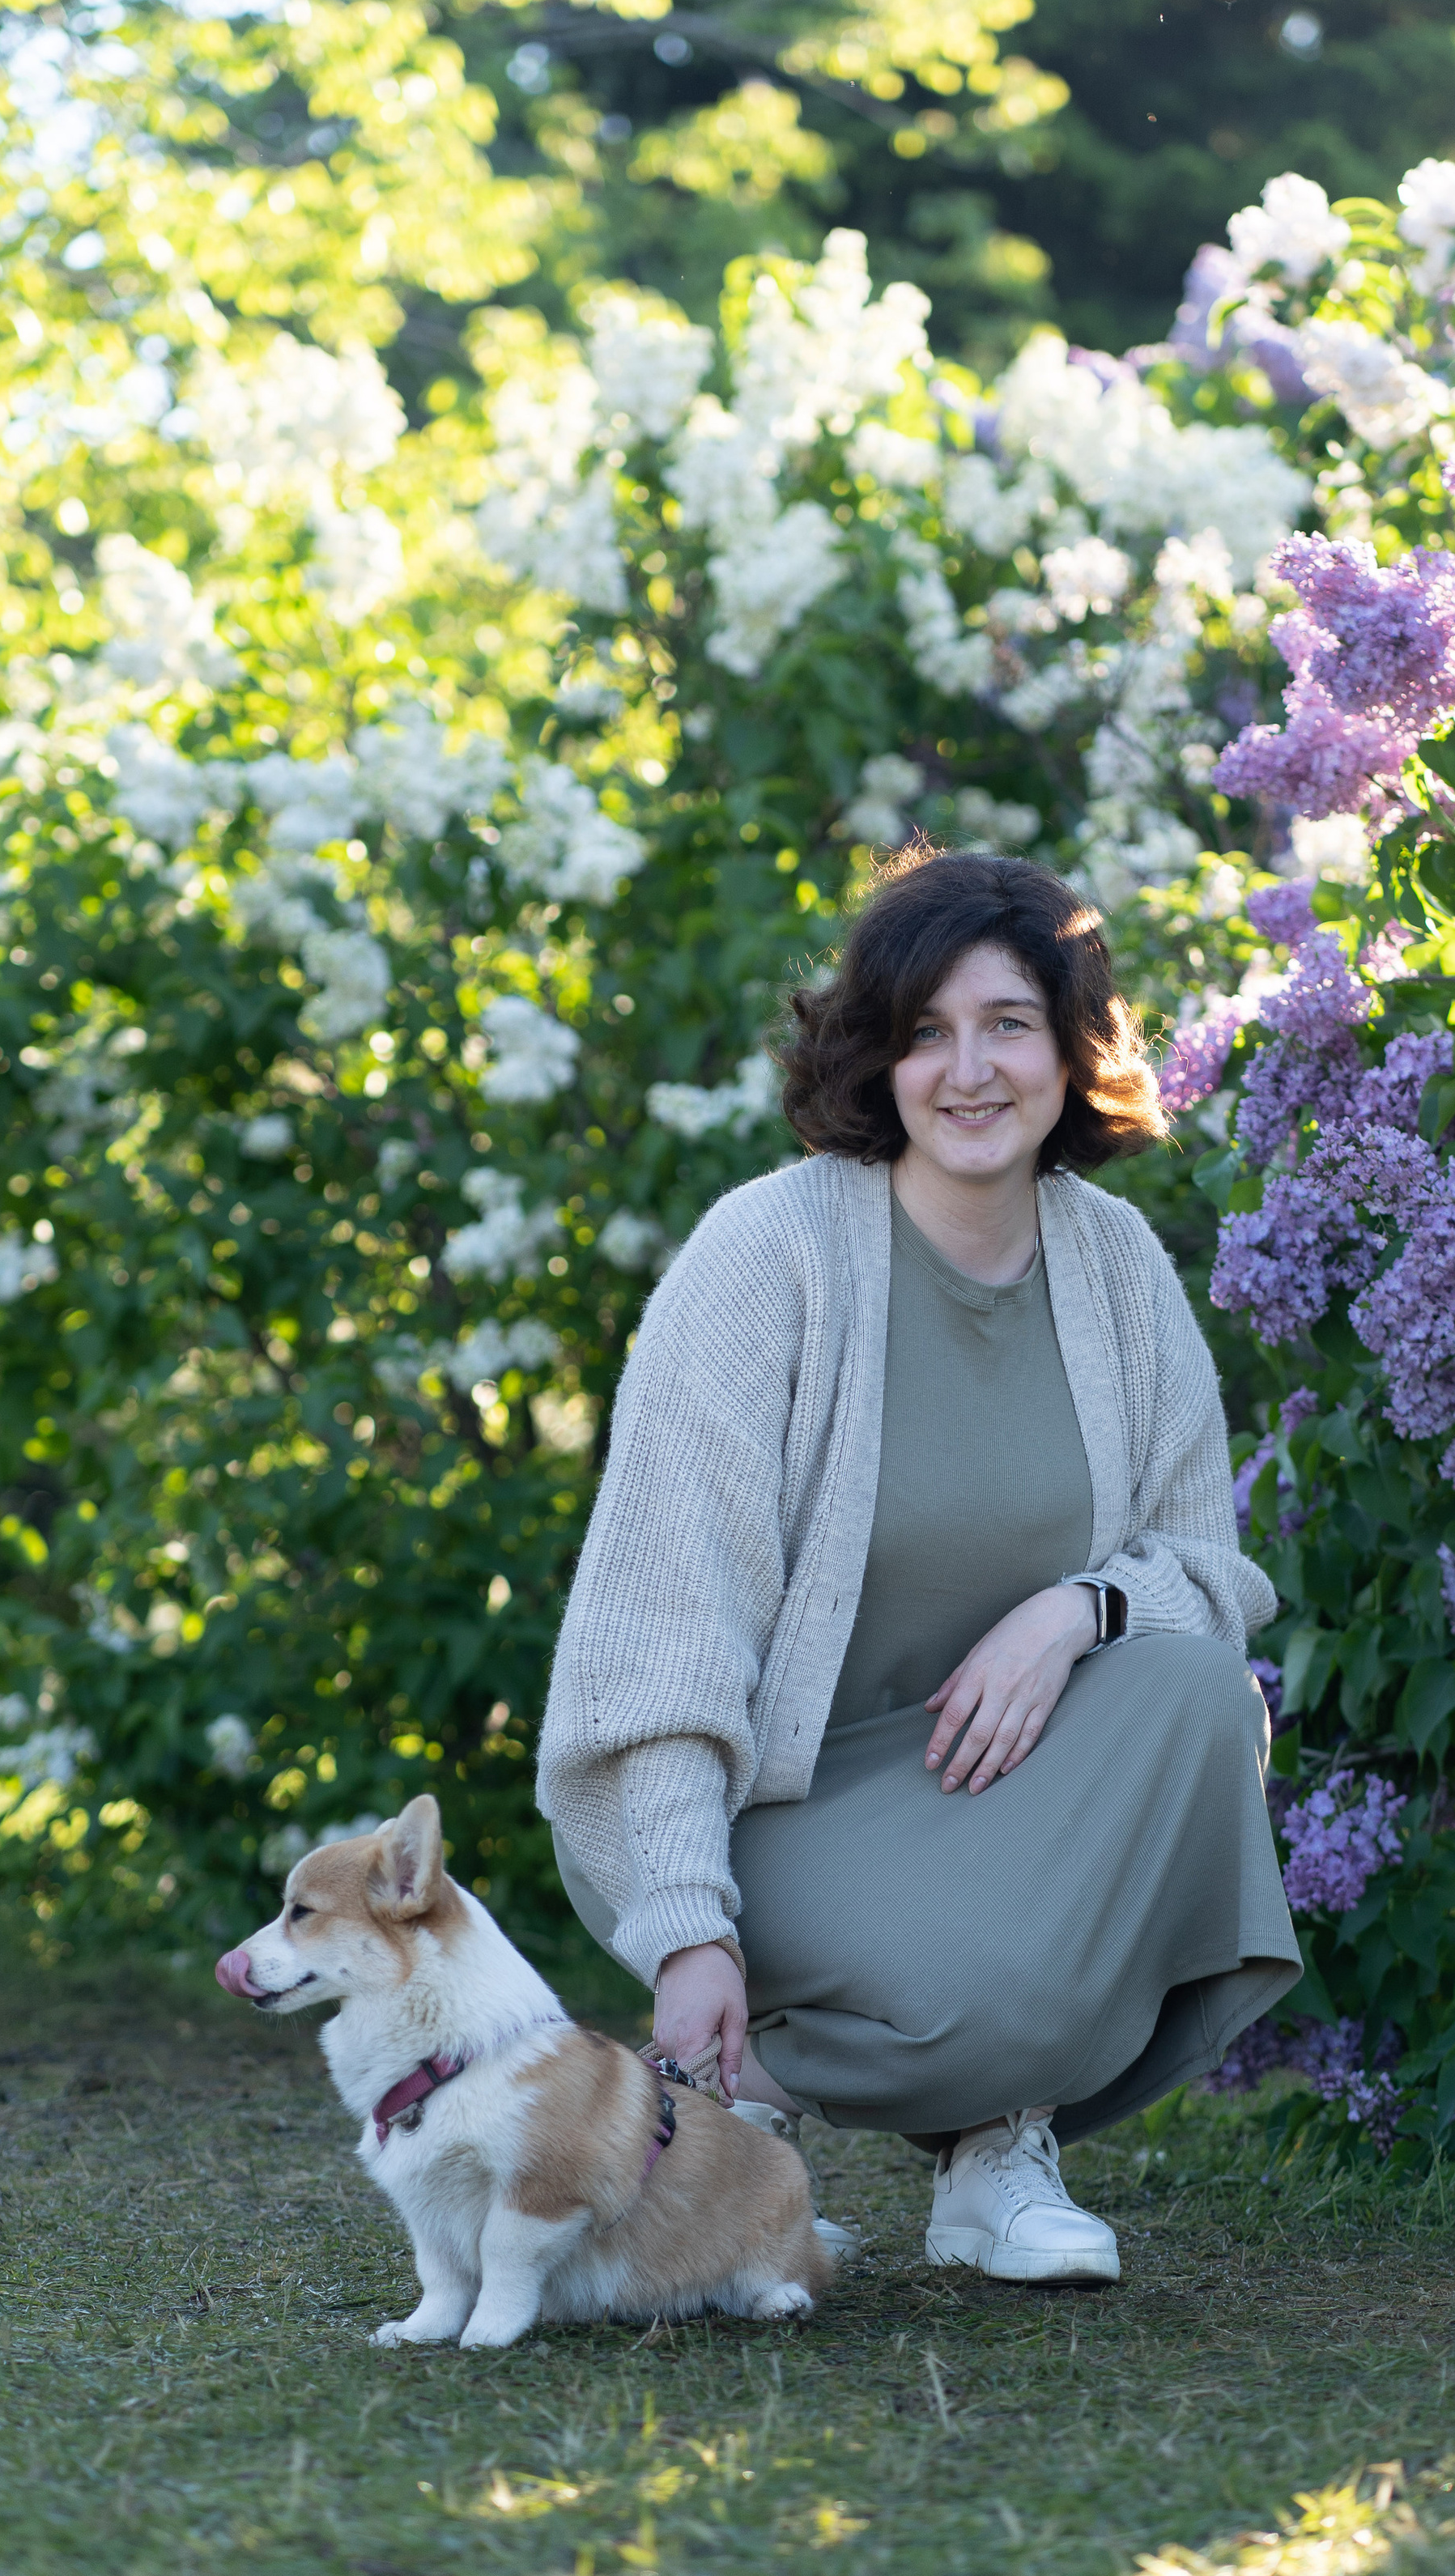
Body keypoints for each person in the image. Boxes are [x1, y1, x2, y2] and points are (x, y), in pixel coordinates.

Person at [538, 845, 1300, 2283]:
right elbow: (663, 1630)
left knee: (1200, 1690)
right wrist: (690, 1929)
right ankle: (740, 2079)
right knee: (971, 1999)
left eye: (1009, 1023)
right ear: (876, 1059)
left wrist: (1078, 1613)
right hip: (778, 1816)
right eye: (926, 1030)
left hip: (998, 1809)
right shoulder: (768, 1257)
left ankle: (990, 2156)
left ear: (1072, 1054)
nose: (970, 1070)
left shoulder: (1120, 1268)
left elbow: (1209, 1564)